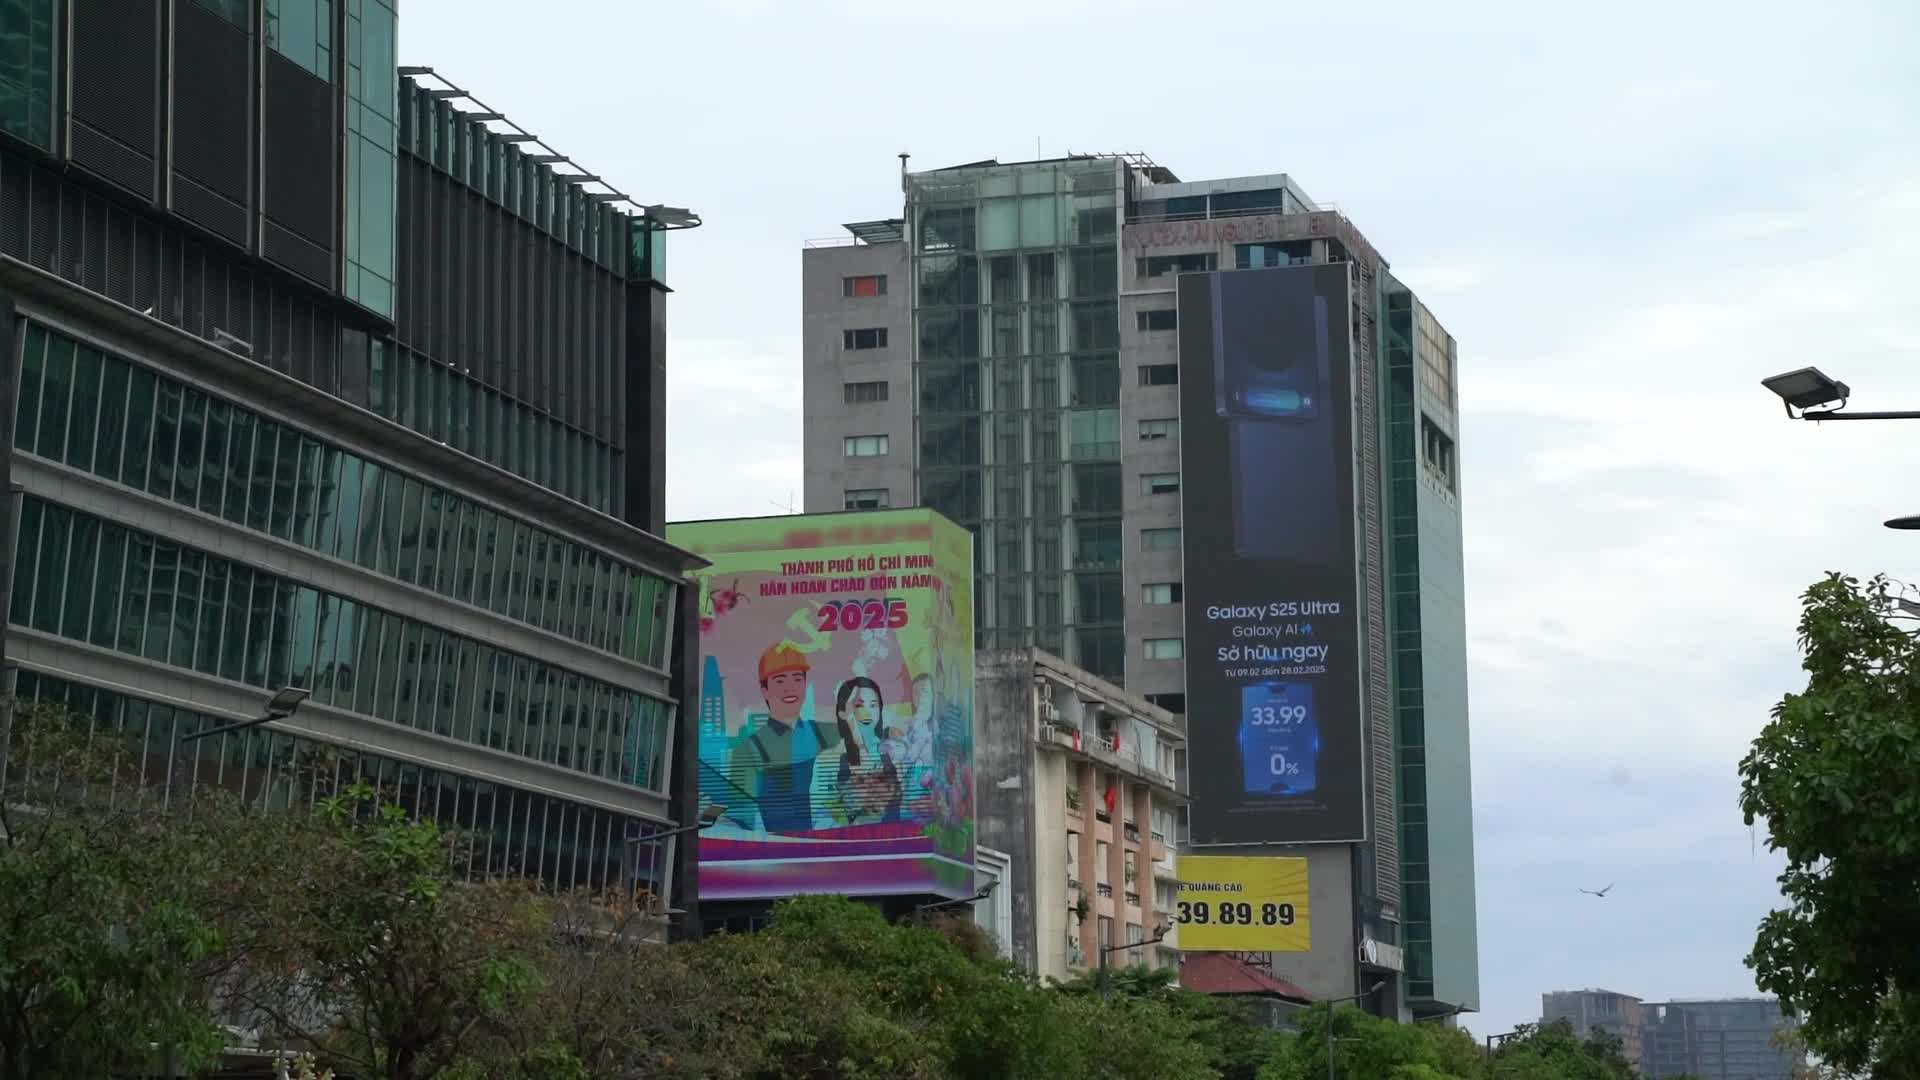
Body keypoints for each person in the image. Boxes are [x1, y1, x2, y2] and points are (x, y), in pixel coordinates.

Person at [726, 642, 840, 833]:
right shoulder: (748, 750)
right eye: (780, 680)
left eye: (797, 679)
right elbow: (740, 816)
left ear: (805, 685)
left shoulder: (826, 733)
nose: (790, 688)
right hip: (776, 851)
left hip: (818, 847)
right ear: (765, 690)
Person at [830, 676, 903, 824]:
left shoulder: (889, 751)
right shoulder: (834, 757)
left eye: (873, 705)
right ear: (843, 711)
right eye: (858, 705)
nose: (867, 712)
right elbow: (825, 815)